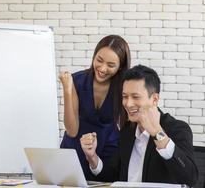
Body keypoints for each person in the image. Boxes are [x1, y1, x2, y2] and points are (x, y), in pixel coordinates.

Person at [80, 65, 198, 186]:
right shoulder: (127, 130)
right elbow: (113, 176)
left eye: (135, 97)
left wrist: (157, 133)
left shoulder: (177, 129)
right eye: (125, 96)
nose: (128, 103)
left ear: (155, 99)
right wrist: (92, 157)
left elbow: (190, 179)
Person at [59, 35, 131, 180]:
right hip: (75, 147)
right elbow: (72, 131)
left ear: (120, 67)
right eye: (99, 60)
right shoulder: (77, 80)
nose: (103, 69)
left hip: (108, 149)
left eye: (111, 65)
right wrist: (67, 90)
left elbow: (128, 123)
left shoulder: (124, 85)